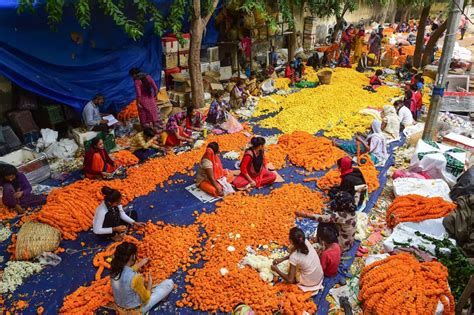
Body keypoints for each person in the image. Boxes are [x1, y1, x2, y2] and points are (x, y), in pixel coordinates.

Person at [110, 242, 174, 313]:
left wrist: (140, 264)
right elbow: (146, 298)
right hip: (135, 311)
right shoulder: (136, 278)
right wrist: (150, 283)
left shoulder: (114, 270)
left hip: (119, 308)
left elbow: (125, 272)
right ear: (132, 257)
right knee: (169, 283)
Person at [271, 227, 324, 293]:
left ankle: (302, 280)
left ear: (291, 241)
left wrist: (276, 269)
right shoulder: (305, 242)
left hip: (310, 282)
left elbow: (290, 280)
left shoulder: (294, 256)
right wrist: (281, 259)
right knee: (295, 257)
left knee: (292, 273)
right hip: (319, 275)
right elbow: (297, 254)